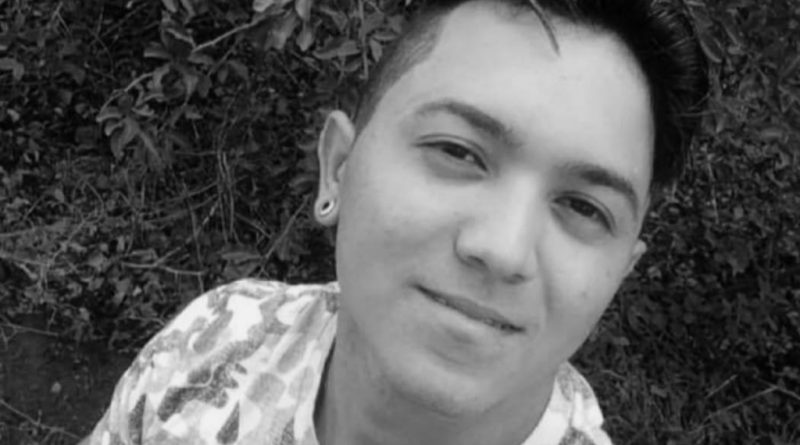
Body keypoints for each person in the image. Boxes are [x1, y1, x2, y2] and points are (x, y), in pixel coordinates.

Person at [82, 0, 708, 443]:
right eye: (458, 152)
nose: (504, 248)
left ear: (619, 273)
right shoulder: (214, 341)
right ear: (338, 168)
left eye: (584, 208)